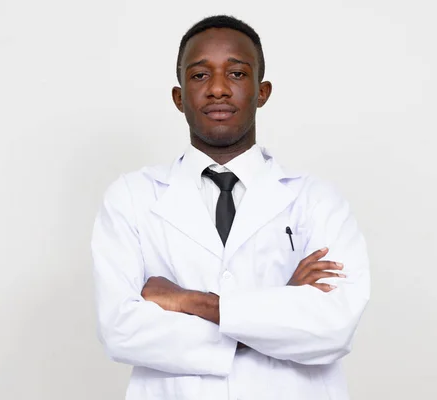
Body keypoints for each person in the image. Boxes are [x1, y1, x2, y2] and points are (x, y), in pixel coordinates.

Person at [92, 15, 370, 400]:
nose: (219, 89)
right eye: (200, 76)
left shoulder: (318, 201)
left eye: (237, 74)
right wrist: (281, 308)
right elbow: (121, 330)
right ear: (179, 97)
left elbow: (333, 328)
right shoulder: (131, 197)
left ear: (262, 91)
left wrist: (193, 302)